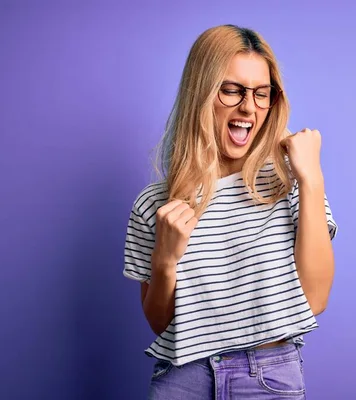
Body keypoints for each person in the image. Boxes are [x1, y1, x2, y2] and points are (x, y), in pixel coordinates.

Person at [123, 24, 338, 399]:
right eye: (232, 90)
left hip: (268, 378)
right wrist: (164, 261)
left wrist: (312, 179)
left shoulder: (292, 183)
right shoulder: (154, 205)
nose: (248, 107)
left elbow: (315, 299)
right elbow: (161, 324)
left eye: (261, 93)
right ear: (200, 94)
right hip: (182, 380)